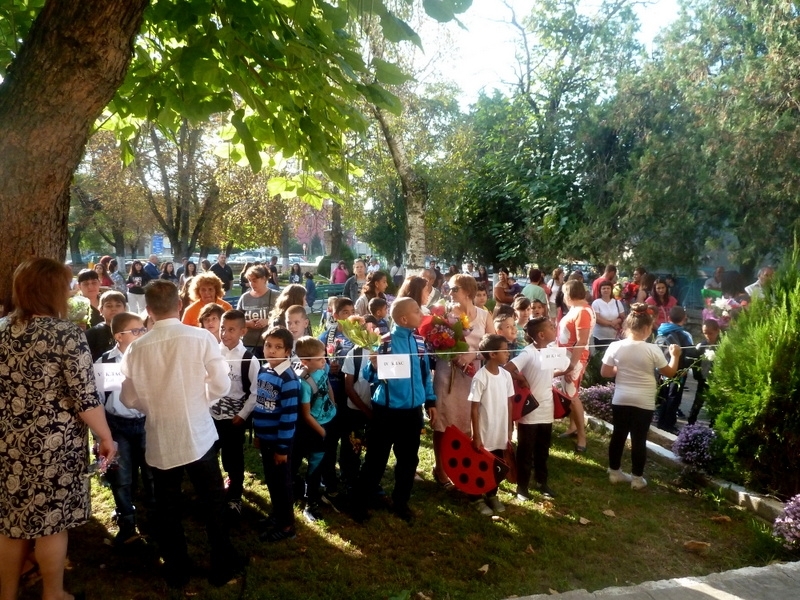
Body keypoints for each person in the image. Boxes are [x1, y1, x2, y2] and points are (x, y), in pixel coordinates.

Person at [0, 258, 116, 600]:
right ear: (51, 291)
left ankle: (7, 594)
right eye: (65, 286)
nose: (69, 292)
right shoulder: (66, 334)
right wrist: (106, 437)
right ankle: (53, 593)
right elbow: (85, 398)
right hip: (53, 446)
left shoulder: (0, 329)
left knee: (10, 524)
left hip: (7, 443)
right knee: (51, 524)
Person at [120, 280, 242, 588]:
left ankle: (177, 567)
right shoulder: (200, 337)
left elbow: (129, 398)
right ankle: (221, 564)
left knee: (168, 508)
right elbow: (221, 384)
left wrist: (155, 405)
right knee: (212, 502)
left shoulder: (136, 348)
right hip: (197, 433)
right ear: (179, 305)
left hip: (162, 435)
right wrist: (199, 401)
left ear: (148, 310)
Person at [351, 298, 437, 523]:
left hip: (412, 413)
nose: (421, 314)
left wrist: (430, 401)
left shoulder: (419, 342)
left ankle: (401, 503)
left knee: (408, 460)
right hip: (386, 412)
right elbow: (368, 376)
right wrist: (373, 365)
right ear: (404, 319)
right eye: (417, 311)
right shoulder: (384, 342)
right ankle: (360, 502)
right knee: (376, 459)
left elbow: (426, 376)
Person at [601, 304, 681, 490]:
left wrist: (621, 368)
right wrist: (675, 356)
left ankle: (614, 472)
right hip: (643, 401)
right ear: (646, 328)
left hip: (621, 398)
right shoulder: (653, 349)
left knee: (618, 435)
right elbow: (669, 372)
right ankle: (637, 478)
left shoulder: (615, 346)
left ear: (627, 326)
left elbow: (605, 372)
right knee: (639, 439)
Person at [432, 274, 496, 488]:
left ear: (467, 291)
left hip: (472, 375)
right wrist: (450, 352)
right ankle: (440, 468)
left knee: (468, 420)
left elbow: (493, 345)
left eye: (454, 289)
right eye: (448, 288)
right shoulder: (444, 313)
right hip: (447, 373)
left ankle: (460, 467)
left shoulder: (484, 315)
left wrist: (473, 355)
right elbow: (435, 341)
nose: (450, 292)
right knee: (443, 421)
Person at [98, 311, 154, 546]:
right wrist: (101, 435)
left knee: (151, 473)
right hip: (117, 426)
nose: (142, 334)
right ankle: (127, 523)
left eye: (143, 330)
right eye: (136, 331)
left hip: (146, 423)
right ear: (119, 336)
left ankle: (155, 519)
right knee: (121, 477)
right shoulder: (104, 363)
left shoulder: (150, 357)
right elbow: (97, 400)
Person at [505, 317, 569, 500]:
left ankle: (542, 482)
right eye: (550, 327)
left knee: (543, 449)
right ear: (541, 335)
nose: (554, 328)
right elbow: (508, 368)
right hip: (529, 410)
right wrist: (521, 379)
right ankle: (522, 487)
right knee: (526, 451)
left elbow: (566, 367)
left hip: (547, 408)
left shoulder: (550, 351)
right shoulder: (528, 353)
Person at [252, 327, 301, 542]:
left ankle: (287, 525)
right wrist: (258, 434)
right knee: (272, 481)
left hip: (280, 443)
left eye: (278, 347)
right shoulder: (264, 370)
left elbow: (289, 416)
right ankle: (277, 515)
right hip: (266, 439)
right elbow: (261, 404)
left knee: (282, 484)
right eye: (268, 345)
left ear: (287, 351)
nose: (271, 351)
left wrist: (282, 448)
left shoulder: (288, 378)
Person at [213, 310, 260, 520]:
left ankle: (234, 496)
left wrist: (242, 414)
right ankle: (214, 492)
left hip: (234, 418)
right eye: (223, 328)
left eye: (231, 329)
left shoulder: (249, 359)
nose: (225, 334)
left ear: (243, 331)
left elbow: (255, 392)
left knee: (233, 457)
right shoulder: (213, 353)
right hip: (211, 415)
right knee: (209, 455)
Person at [291, 337, 337, 523]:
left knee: (323, 461)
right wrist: (322, 431)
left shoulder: (322, 368)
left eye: (324, 356)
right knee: (312, 464)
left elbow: (328, 385)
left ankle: (318, 493)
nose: (324, 361)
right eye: (319, 358)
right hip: (315, 429)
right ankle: (309, 500)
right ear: (305, 362)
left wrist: (333, 403)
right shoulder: (304, 383)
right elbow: (306, 414)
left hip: (328, 420)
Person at [468, 334, 514, 515]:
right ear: (493, 354)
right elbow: (474, 409)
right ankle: (476, 497)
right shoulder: (480, 377)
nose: (508, 353)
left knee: (496, 463)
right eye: (505, 351)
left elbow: (509, 403)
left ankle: (492, 494)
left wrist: (509, 428)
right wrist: (476, 435)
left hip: (499, 431)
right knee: (479, 465)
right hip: (484, 432)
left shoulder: (506, 376)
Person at [557, 279, 596, 453]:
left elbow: (581, 341)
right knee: (569, 395)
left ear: (569, 294)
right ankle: (573, 427)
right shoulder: (578, 309)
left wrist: (572, 365)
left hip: (573, 359)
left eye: (564, 293)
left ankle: (582, 437)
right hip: (567, 357)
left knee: (572, 398)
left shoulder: (583, 312)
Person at [654, 306, 696, 433]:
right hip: (678, 372)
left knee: (662, 395)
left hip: (662, 370)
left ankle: (660, 421)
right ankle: (668, 424)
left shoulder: (661, 331)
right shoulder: (685, 335)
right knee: (674, 397)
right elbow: (690, 354)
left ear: (669, 317)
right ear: (684, 318)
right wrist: (686, 369)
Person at [237, 265, 278, 359]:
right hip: (248, 344)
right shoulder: (245, 298)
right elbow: (236, 320)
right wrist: (248, 323)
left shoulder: (276, 296)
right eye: (249, 280)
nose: (251, 284)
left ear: (264, 279)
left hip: (271, 344)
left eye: (254, 280)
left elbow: (283, 318)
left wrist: (268, 321)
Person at [687, 319, 721, 425]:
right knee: (698, 400)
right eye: (705, 333)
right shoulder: (702, 346)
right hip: (704, 378)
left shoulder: (722, 345)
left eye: (710, 333)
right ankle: (690, 424)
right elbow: (695, 362)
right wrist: (698, 375)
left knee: (715, 403)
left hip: (717, 380)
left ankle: (713, 425)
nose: (707, 336)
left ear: (717, 331)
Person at [86, 290, 128, 361]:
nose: (113, 309)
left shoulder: (131, 331)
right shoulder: (92, 334)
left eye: (118, 305)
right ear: (101, 310)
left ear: (125, 309)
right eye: (109, 306)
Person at [591, 280, 625, 352]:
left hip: (615, 336)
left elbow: (622, 317)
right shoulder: (596, 303)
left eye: (608, 288)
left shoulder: (617, 302)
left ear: (611, 290)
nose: (606, 290)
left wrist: (618, 320)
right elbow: (597, 319)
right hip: (600, 337)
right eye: (603, 288)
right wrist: (612, 324)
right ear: (600, 290)